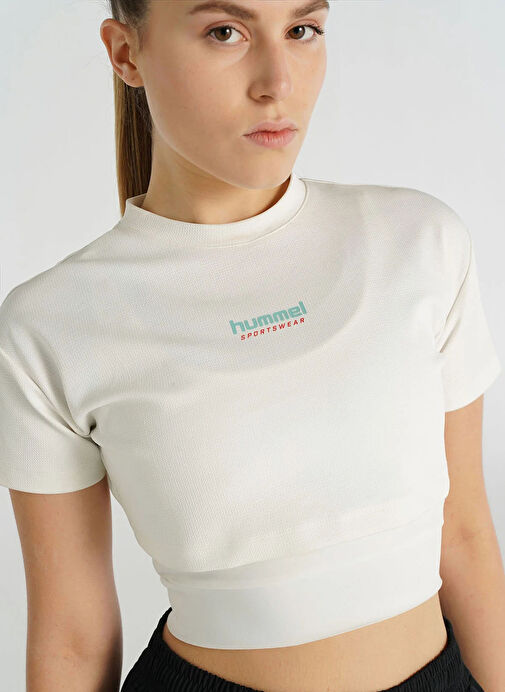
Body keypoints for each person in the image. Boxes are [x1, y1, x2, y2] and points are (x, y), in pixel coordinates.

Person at [0, 1, 502, 690]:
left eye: (302, 30)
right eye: (224, 32)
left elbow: (464, 533)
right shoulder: (54, 324)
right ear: (125, 53)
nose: (278, 81)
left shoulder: (417, 241)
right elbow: (72, 637)